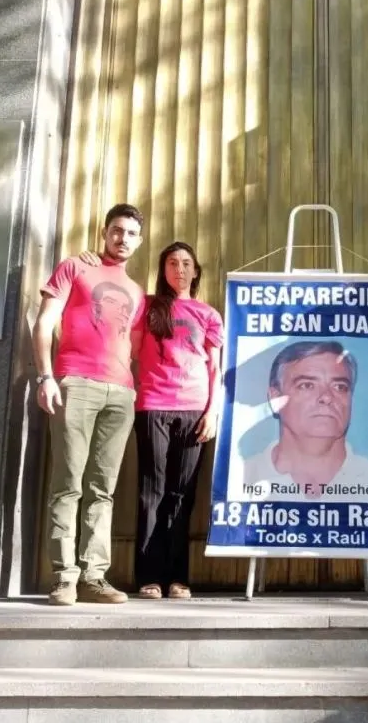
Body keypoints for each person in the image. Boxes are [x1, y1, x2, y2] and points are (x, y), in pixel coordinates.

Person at [33, 203, 145, 606]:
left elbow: (131, 345)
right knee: (68, 485)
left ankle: (94, 577)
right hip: (75, 383)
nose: (123, 239)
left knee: (103, 490)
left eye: (131, 233)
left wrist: (131, 390)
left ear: (139, 240)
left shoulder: (135, 291)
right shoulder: (74, 268)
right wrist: (45, 376)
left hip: (121, 392)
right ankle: (64, 578)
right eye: (117, 231)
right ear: (104, 232)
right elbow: (44, 321)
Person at [132, 241, 223, 600]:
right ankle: (148, 577)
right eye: (172, 263)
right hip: (153, 405)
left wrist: (212, 411)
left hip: (195, 409)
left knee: (181, 496)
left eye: (186, 263)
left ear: (196, 271)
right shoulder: (147, 307)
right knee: (151, 492)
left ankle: (177, 578)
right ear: (163, 268)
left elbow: (216, 367)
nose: (179, 269)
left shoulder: (207, 314)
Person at [240, 340, 368, 504]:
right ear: (275, 398)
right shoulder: (240, 479)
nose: (327, 397)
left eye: (339, 387)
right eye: (307, 385)